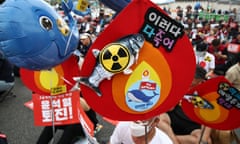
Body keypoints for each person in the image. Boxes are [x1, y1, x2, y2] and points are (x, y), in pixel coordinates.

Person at [158, 65, 212, 144]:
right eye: (190, 84)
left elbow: (209, 119)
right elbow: (170, 108)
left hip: (192, 124)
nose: (190, 88)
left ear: (201, 81)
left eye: (194, 85)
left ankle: (169, 139)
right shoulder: (176, 83)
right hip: (173, 117)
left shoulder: (206, 92)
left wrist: (204, 140)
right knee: (160, 119)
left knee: (202, 140)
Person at [36, 97, 101, 144]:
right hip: (70, 118)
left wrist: (73, 94)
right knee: (53, 122)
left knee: (72, 128)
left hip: (87, 123)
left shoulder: (83, 89)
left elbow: (87, 108)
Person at [109, 116, 173, 144]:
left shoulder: (164, 142)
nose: (138, 119)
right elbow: (113, 142)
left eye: (144, 117)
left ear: (155, 121)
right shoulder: (124, 125)